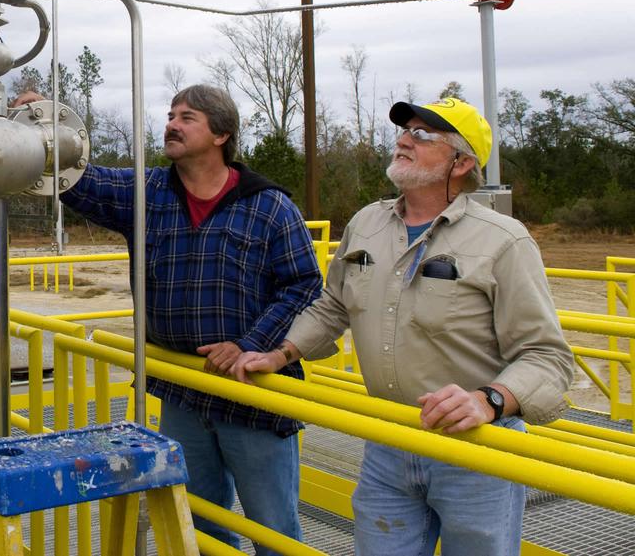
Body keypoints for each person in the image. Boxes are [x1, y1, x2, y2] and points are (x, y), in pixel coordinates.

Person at [233, 96, 573, 556]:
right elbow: (334, 305)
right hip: (389, 438)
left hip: (475, 448)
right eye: (404, 130)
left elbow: (547, 357)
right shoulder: (367, 223)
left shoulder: (503, 240)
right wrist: (280, 353)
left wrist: (489, 400)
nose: (403, 140)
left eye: (423, 134)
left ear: (462, 162)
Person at [14, 84, 322, 554]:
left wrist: (250, 342)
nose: (172, 124)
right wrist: (42, 124)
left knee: (274, 527)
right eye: (171, 114)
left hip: (252, 393)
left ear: (221, 134)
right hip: (182, 385)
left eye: (187, 117)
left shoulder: (269, 206)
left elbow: (302, 284)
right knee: (197, 522)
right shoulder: (148, 192)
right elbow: (79, 178)